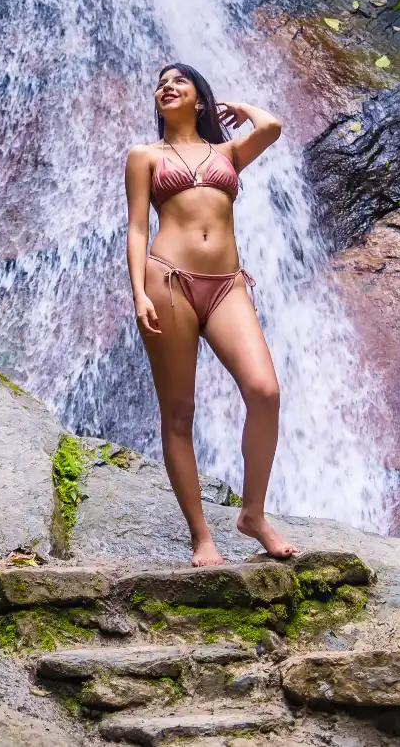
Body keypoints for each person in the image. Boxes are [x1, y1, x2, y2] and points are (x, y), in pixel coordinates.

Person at [124, 62, 294, 565]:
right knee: (179, 413)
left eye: (179, 81)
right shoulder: (144, 156)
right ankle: (202, 536)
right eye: (161, 83)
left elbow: (271, 127)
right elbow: (137, 228)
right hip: (167, 281)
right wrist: (138, 293)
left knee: (265, 392)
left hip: (227, 285)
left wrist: (238, 108)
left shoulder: (227, 153)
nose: (166, 86)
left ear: (200, 99)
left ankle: (253, 514)